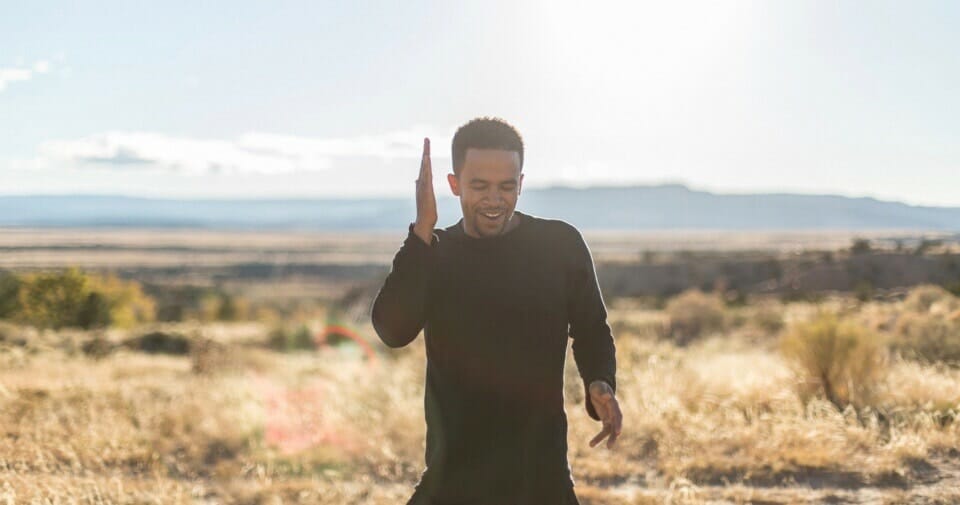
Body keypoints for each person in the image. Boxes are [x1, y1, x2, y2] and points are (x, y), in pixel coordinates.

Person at [371, 117, 622, 504]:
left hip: (541, 479)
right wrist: (422, 230)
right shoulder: (434, 254)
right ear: (454, 185)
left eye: (506, 186)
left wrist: (599, 382)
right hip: (451, 479)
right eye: (480, 186)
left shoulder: (559, 245)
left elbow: (591, 329)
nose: (494, 199)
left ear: (521, 183)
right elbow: (392, 330)